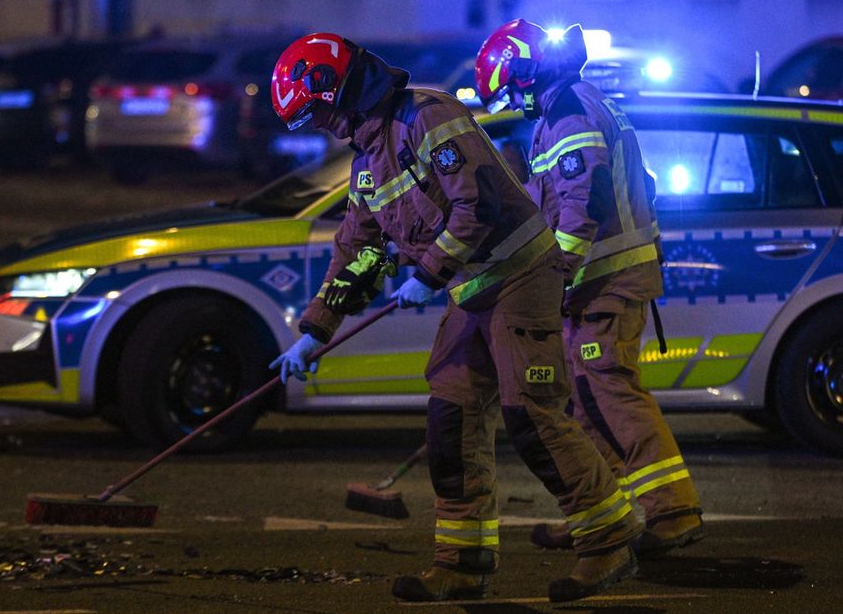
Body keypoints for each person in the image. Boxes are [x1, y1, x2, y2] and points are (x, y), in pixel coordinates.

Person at [269, 32, 643, 603]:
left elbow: (476, 204)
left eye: (319, 112)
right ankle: (461, 562)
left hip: (519, 276)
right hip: (472, 290)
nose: (323, 125)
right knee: (452, 418)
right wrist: (313, 332)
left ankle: (608, 539)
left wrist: (426, 274)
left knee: (532, 416)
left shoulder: (427, 114)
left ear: (336, 88)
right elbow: (358, 251)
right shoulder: (369, 161)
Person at [476, 19, 704, 556]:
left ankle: (673, 508)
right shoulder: (572, 105)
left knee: (611, 390)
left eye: (512, 90)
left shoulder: (568, 111)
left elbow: (584, 202)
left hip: (606, 280)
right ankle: (607, 512)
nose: (515, 102)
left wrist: (554, 272)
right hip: (595, 282)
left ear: (527, 74)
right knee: (585, 396)